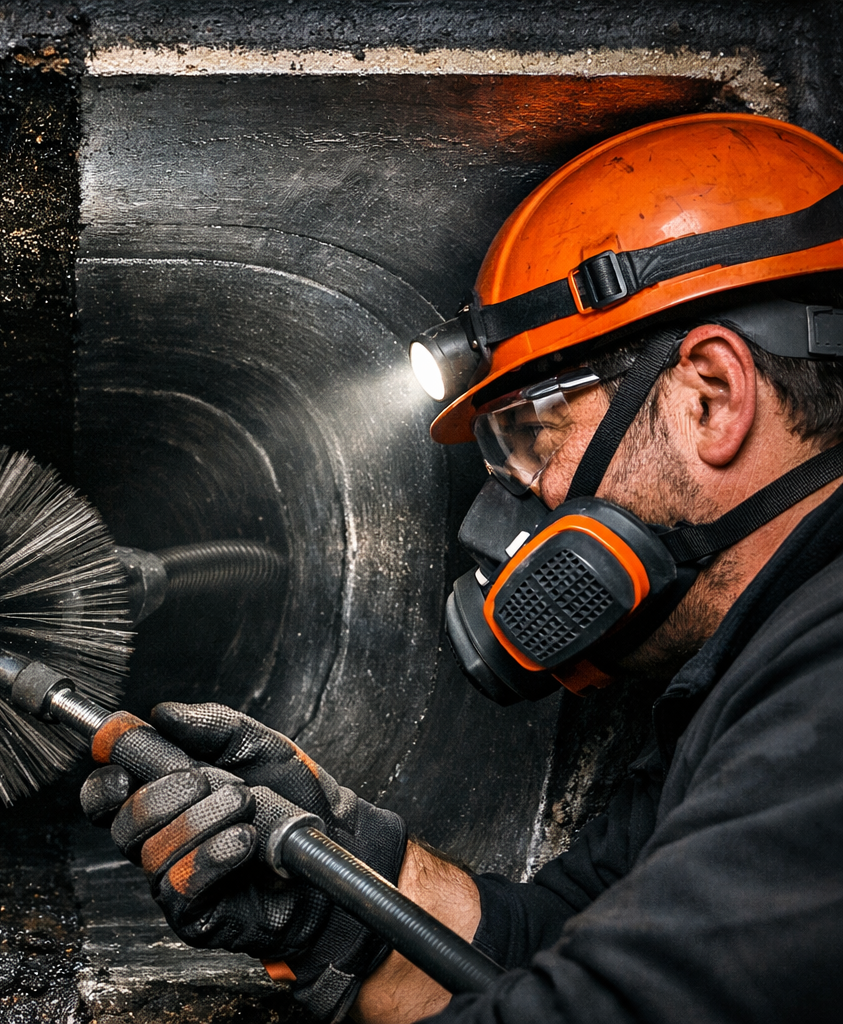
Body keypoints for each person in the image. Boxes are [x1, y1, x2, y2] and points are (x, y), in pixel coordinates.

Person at [79, 112, 843, 1023]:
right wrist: (340, 885)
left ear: (711, 398)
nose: (524, 502)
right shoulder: (743, 680)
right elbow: (554, 941)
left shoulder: (825, 686)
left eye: (534, 440)